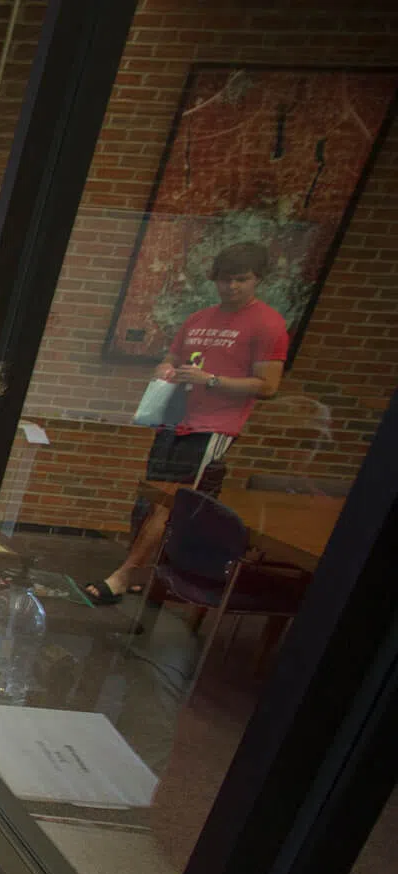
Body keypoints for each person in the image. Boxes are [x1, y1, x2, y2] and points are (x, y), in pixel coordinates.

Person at [83, 242, 287, 605]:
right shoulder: (199, 318)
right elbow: (171, 358)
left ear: (257, 279)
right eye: (225, 280)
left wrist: (210, 379)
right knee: (150, 498)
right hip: (175, 417)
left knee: (172, 503)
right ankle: (139, 572)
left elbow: (268, 386)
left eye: (241, 279)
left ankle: (127, 573)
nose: (232, 287)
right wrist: (165, 370)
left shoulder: (267, 323)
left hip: (214, 425)